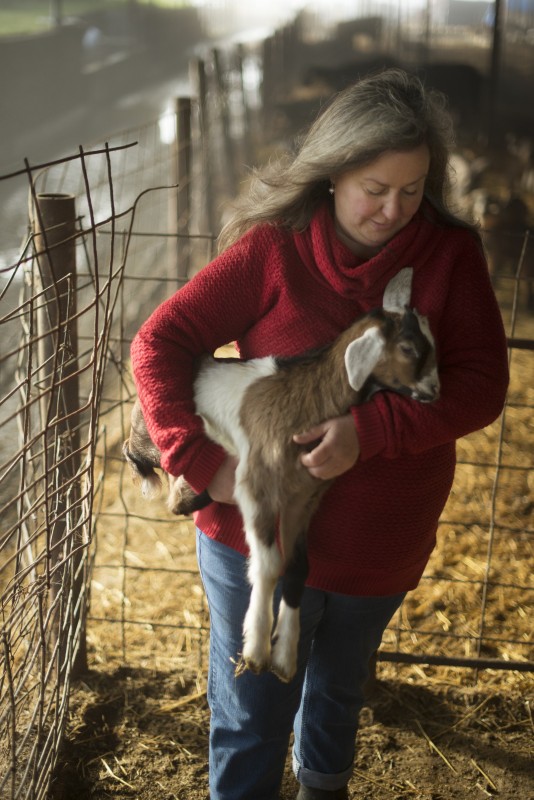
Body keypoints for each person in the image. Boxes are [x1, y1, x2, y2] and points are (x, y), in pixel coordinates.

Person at [130, 68, 509, 800]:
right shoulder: (273, 250)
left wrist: (370, 433)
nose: (395, 209)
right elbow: (158, 343)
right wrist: (199, 461)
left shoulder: (447, 255)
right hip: (254, 533)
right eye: (375, 187)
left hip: (380, 539)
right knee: (251, 714)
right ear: (333, 173)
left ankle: (322, 789)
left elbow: (481, 387)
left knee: (337, 693)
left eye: (414, 187)